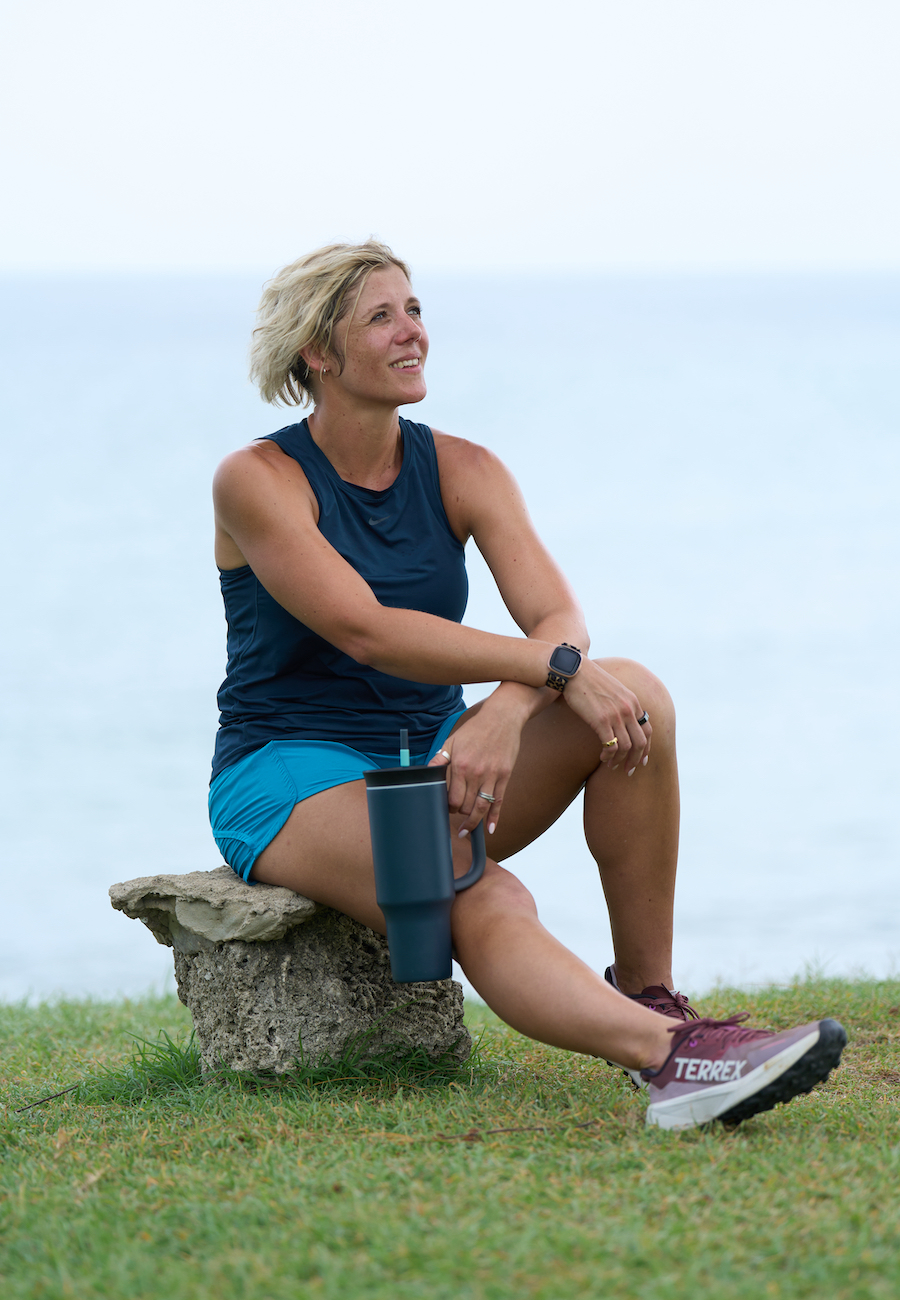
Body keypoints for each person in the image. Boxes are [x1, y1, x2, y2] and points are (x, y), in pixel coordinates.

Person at [208, 240, 845, 1129]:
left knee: (635, 697)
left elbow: (561, 621)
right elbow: (367, 629)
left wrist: (510, 710)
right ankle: (673, 1064)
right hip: (292, 773)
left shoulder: (464, 468)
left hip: (438, 755)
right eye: (382, 317)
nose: (413, 333)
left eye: (416, 310)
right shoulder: (257, 480)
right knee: (482, 885)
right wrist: (546, 673)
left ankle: (655, 998)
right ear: (319, 352)